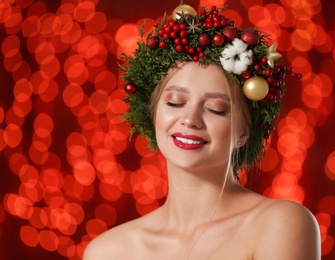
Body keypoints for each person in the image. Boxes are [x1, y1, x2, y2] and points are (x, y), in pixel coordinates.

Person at [83, 4, 320, 260]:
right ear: (153, 116)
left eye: (216, 109)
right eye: (174, 102)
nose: (190, 119)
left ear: (243, 133)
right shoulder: (107, 252)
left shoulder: (280, 224)